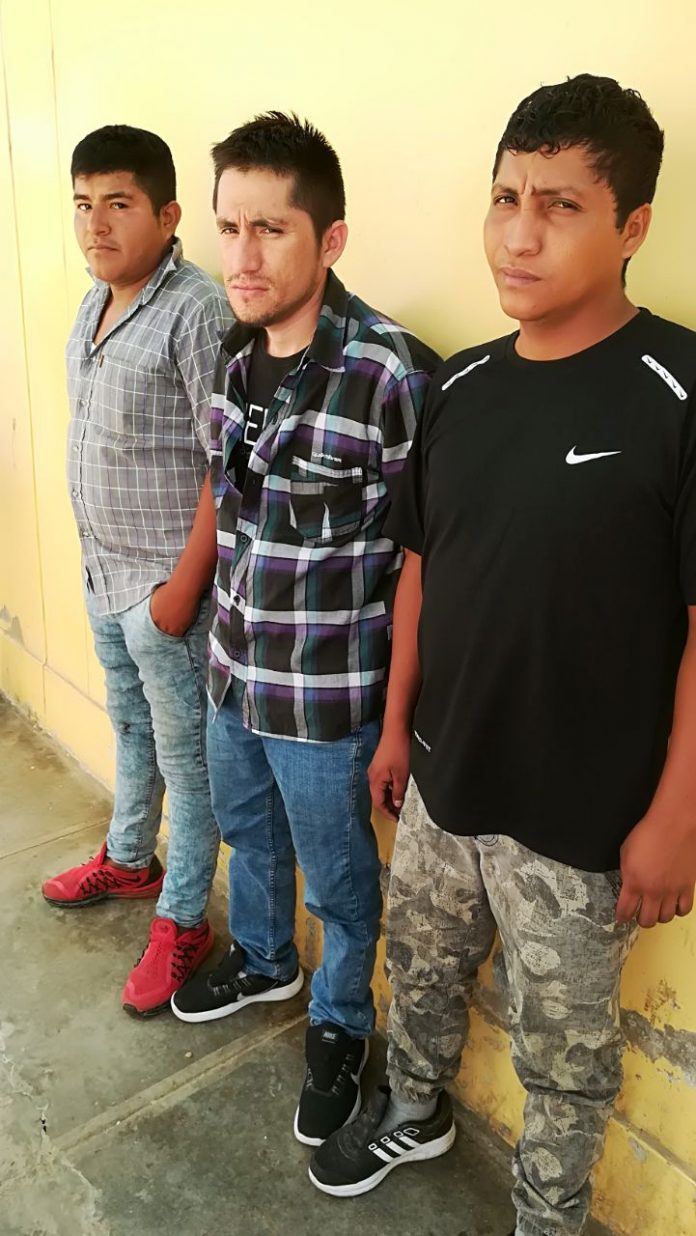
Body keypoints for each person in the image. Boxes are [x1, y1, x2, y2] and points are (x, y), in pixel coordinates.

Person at [309, 74, 696, 1236]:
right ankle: (413, 1108)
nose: (518, 235)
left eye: (560, 205)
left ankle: (547, 1216)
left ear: (631, 226)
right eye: (505, 198)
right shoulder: (461, 386)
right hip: (444, 779)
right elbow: (422, 568)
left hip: (582, 823)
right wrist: (396, 729)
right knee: (420, 968)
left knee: (563, 1058)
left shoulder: (677, 394)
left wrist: (675, 815)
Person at [171, 112, 439, 1146]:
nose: (242, 256)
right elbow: (230, 501)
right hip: (234, 671)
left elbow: (424, 559)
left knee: (339, 881)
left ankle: (339, 1022)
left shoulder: (387, 375)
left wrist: (397, 721)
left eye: (270, 229)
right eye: (229, 228)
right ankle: (263, 959)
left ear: (329, 240)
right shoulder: (231, 354)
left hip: (326, 702)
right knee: (246, 832)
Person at [42, 125, 232, 1018]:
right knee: (130, 732)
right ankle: (127, 859)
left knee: (190, 768)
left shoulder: (197, 312)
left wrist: (181, 592)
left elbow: (226, 463)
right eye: (84, 205)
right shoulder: (96, 302)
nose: (96, 225)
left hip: (164, 592)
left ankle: (184, 918)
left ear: (168, 214)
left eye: (118, 204)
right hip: (104, 576)